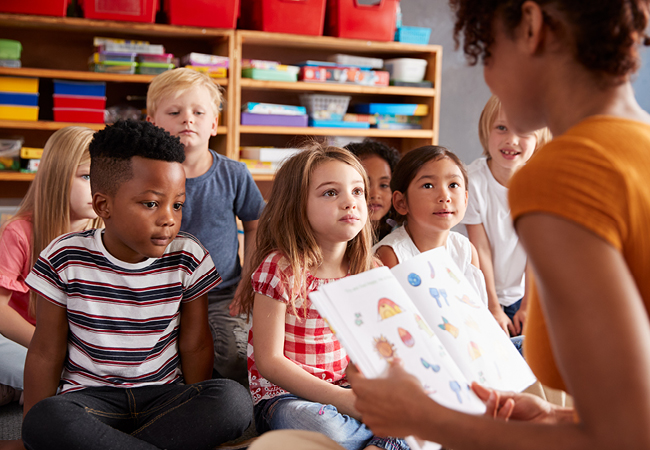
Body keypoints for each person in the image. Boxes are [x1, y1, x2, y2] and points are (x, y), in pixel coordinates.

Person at [344, 1, 650, 449]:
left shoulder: (565, 173)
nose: (487, 76)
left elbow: (623, 434)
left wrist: (423, 418)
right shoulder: (638, 145)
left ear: (531, 25)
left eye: (486, 52)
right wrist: (554, 418)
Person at [21, 120, 253, 450]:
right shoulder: (64, 256)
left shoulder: (189, 255)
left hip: (162, 398)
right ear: (104, 206)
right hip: (90, 402)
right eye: (150, 204)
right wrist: (32, 426)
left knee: (232, 400)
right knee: (46, 420)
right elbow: (46, 350)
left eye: (177, 204)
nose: (169, 218)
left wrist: (195, 402)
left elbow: (196, 343)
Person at [240, 144, 408, 450]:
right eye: (331, 193)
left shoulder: (370, 269)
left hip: (351, 389)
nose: (350, 202)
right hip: (287, 398)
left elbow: (385, 344)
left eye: (358, 191)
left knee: (423, 401)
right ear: (296, 204)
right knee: (324, 427)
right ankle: (384, 442)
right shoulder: (279, 268)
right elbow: (269, 361)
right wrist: (343, 400)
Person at [147, 68, 265, 386]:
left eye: (199, 112)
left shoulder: (234, 174)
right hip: (156, 292)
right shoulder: (141, 175)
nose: (188, 119)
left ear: (213, 124)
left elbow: (255, 226)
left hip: (221, 292)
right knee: (152, 361)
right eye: (175, 112)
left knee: (232, 359)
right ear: (152, 122)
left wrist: (248, 280)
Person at [0, 126, 102, 407]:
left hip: (75, 349)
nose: (100, 188)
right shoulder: (19, 232)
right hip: (27, 340)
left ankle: (25, 389)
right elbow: (1, 311)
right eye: (87, 176)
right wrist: (49, 348)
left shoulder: (106, 236)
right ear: (56, 178)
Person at [462, 95, 551, 335]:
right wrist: (492, 306)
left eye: (523, 132)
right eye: (501, 128)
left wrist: (527, 306)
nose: (511, 140)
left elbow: (535, 250)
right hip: (476, 292)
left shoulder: (540, 186)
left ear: (539, 138)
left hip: (521, 296)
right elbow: (480, 248)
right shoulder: (472, 180)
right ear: (486, 131)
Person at [373, 146, 488, 306]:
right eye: (428, 185)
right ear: (401, 202)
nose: (445, 196)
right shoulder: (390, 255)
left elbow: (477, 311)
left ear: (466, 199)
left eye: (453, 185)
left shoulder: (465, 250)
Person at [344, 139, 401, 243]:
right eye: (365, 185)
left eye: (384, 185)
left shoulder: (399, 234)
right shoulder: (338, 238)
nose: (375, 194)